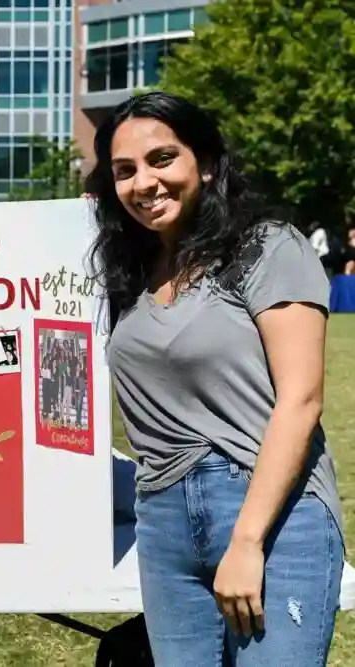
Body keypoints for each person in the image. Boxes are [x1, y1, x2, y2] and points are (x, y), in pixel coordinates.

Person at [86, 91, 343, 666]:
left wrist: (248, 541)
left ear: (204, 163)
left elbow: (301, 400)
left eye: (161, 159)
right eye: (124, 171)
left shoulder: (267, 247)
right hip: (163, 520)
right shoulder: (129, 270)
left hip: (273, 514)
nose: (143, 182)